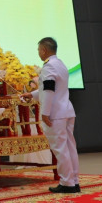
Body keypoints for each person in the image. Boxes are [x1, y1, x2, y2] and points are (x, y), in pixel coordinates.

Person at [20, 37, 79, 193]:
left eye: (39, 50)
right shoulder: (60, 64)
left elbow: (49, 90)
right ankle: (74, 181)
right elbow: (51, 88)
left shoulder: (49, 67)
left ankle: (67, 183)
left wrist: (45, 113)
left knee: (60, 149)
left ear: (44, 50)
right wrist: (32, 95)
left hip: (55, 113)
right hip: (67, 110)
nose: (38, 52)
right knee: (69, 147)